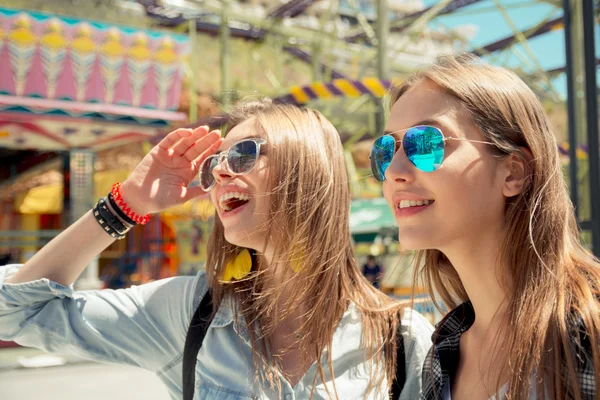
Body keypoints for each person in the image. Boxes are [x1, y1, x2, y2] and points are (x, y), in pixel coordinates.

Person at [0, 100, 433, 399]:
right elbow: (16, 311)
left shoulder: (404, 340)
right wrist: (125, 205)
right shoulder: (188, 313)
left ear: (309, 167)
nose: (221, 172)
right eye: (213, 163)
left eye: (243, 154)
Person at [370, 53, 600, 399]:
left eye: (427, 144)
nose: (394, 170)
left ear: (514, 172)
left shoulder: (589, 330)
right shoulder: (441, 357)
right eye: (385, 151)